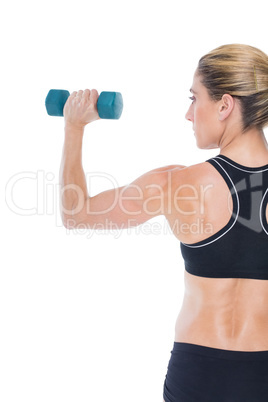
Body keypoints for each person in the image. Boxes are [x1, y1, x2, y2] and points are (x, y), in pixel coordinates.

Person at [60, 44, 268, 401]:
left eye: (194, 97)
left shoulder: (177, 184)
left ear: (224, 105)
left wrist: (74, 128)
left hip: (198, 375)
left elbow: (75, 214)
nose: (189, 114)